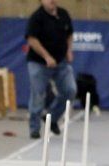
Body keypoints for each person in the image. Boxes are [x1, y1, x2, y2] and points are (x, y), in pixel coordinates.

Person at [24, 0, 77, 139]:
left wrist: (69, 51)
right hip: (39, 62)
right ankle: (34, 128)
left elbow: (70, 34)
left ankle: (52, 118)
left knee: (70, 90)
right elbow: (32, 39)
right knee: (38, 95)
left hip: (61, 62)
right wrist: (46, 57)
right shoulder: (37, 17)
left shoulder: (63, 14)